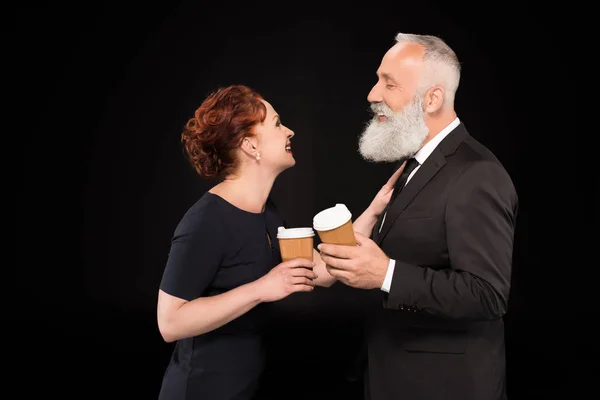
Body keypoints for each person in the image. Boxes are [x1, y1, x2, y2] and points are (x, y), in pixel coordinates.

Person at [318, 33, 519, 400]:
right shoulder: (415, 164)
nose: (372, 94)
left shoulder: (477, 173)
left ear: (432, 99)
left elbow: (488, 295)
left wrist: (385, 274)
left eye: (388, 83)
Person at [156, 84, 327, 400]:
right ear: (250, 145)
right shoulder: (205, 221)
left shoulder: (268, 211)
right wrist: (262, 287)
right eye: (277, 124)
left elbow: (316, 269)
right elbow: (169, 322)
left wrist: (374, 212)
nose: (289, 131)